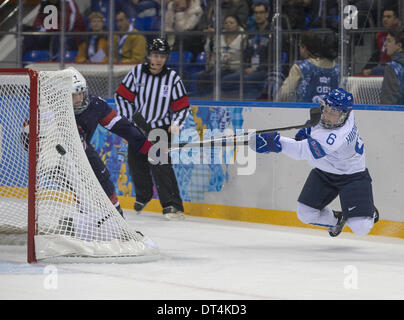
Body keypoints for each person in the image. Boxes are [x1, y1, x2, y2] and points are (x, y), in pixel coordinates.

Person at [252, 88, 379, 237]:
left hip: (352, 176)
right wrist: (310, 130)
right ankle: (337, 220)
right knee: (306, 214)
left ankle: (367, 209)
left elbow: (301, 151)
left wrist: (275, 142)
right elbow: (315, 128)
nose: (326, 115)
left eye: (333, 113)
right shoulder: (341, 113)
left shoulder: (336, 138)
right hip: (324, 172)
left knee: (361, 228)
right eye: (326, 109)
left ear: (344, 115)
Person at [114, 38, 189, 220]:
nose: (158, 59)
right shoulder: (137, 73)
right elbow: (122, 97)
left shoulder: (172, 78)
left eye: (162, 56)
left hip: (160, 129)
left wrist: (176, 124)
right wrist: (128, 120)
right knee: (135, 163)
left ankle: (172, 205)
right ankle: (144, 195)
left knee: (160, 165)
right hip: (138, 128)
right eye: (155, 55)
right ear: (149, 55)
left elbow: (182, 106)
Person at [69, 66, 153, 218]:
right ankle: (85, 215)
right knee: (83, 180)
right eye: (75, 95)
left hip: (81, 148)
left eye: (81, 93)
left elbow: (121, 126)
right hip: (56, 154)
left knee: (101, 175)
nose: (80, 98)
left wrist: (145, 145)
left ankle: (116, 216)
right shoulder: (55, 107)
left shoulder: (95, 105)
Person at [221, 1, 270, 97]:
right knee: (226, 79)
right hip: (249, 69)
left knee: (246, 79)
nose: (258, 15)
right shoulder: (251, 33)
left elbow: (272, 58)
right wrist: (246, 67)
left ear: (267, 14)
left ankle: (251, 101)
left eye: (261, 12)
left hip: (264, 70)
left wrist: (256, 68)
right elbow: (246, 54)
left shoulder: (272, 33)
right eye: (256, 13)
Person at [279, 31, 339, 102]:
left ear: (304, 47)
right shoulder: (338, 69)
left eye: (300, 46)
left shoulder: (300, 67)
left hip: (302, 111)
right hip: (332, 111)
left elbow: (284, 94)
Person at [197, 14, 247, 96]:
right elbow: (211, 52)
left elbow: (245, 58)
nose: (228, 25)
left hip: (235, 68)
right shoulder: (218, 37)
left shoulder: (244, 37)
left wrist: (230, 64)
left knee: (215, 76)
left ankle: (213, 96)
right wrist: (209, 39)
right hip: (219, 66)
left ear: (238, 25)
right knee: (201, 76)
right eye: (226, 23)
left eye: (231, 23)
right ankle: (203, 98)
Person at [362, 6, 400, 76]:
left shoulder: (400, 34)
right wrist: (366, 68)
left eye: (388, 17)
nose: (385, 19)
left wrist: (373, 70)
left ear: (396, 20)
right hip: (381, 68)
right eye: (383, 17)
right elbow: (376, 55)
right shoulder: (379, 35)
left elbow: (398, 65)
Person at [380, 27, 404, 105]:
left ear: (399, 45)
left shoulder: (392, 67)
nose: (385, 44)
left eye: (389, 41)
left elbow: (388, 101)